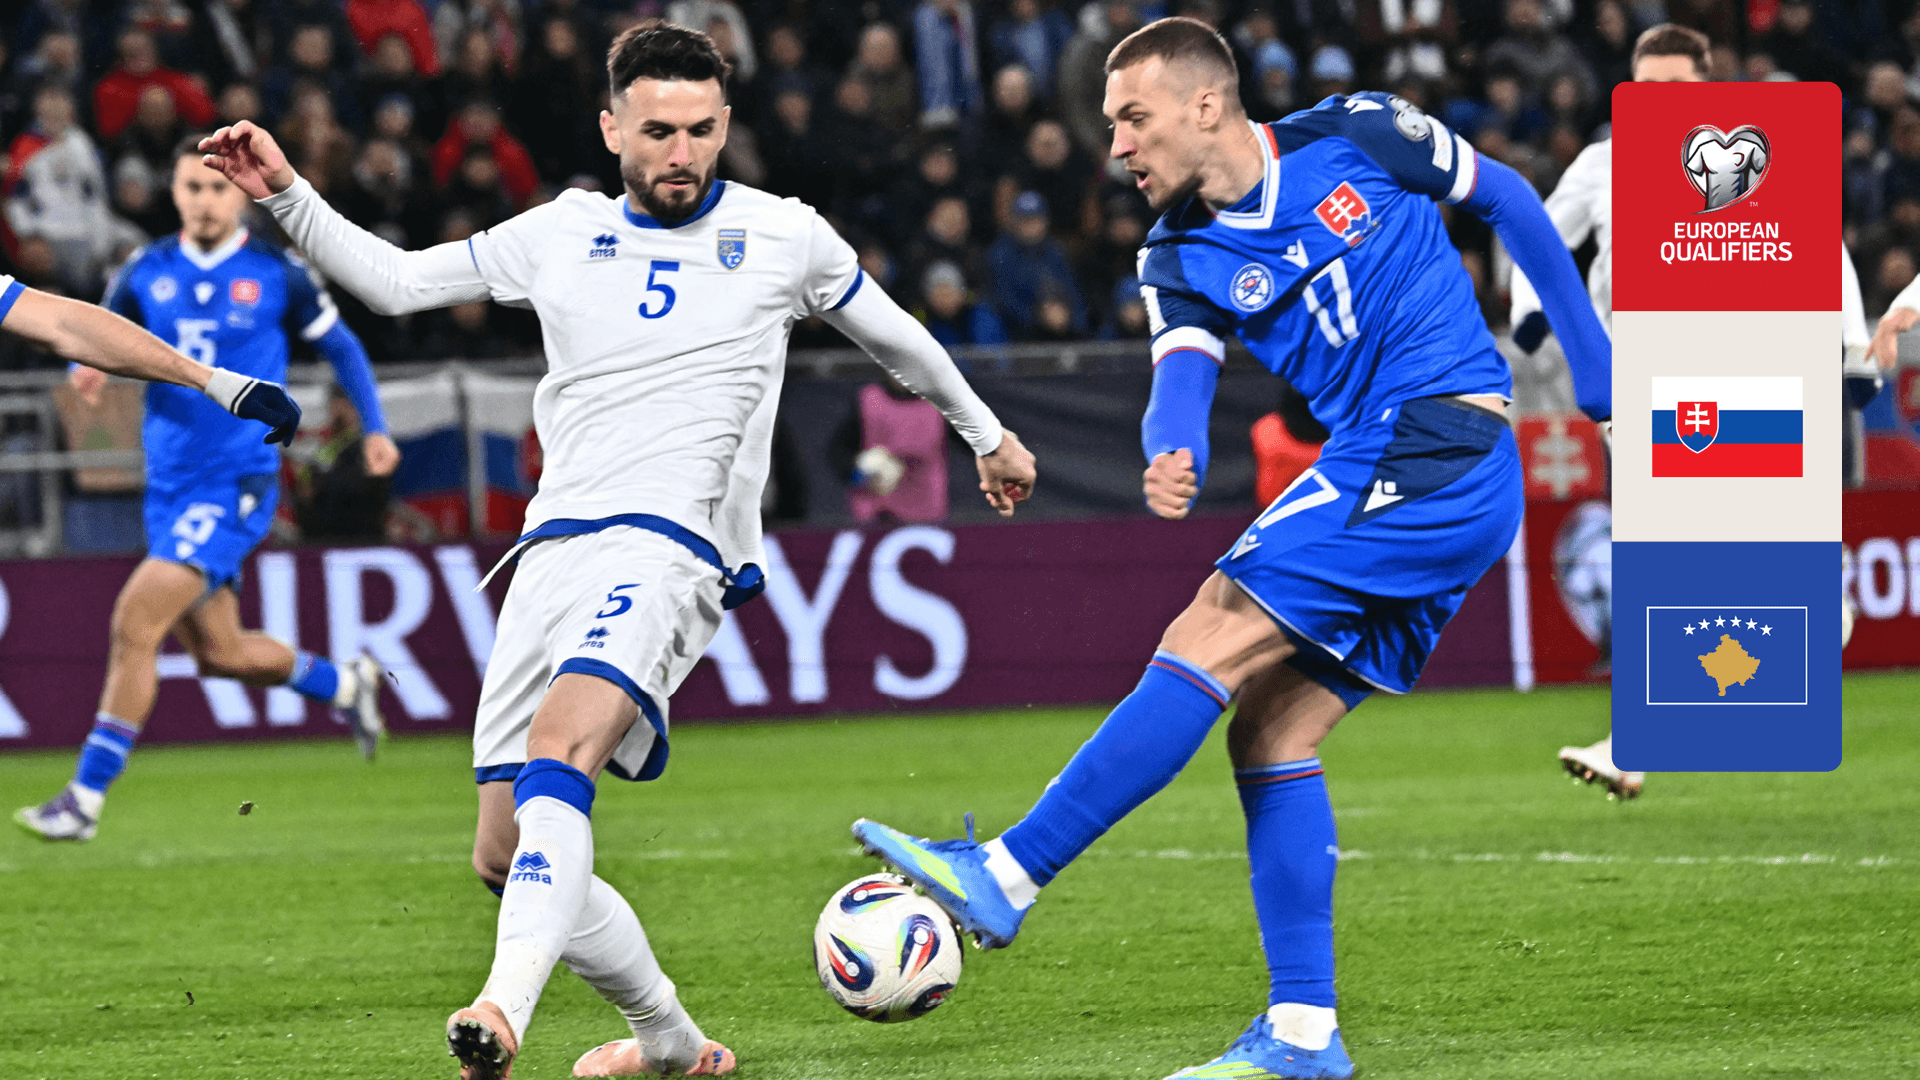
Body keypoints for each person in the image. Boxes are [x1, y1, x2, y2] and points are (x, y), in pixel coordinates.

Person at [198, 22, 1036, 1079]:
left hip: (673, 544)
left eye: (700, 131)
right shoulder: (562, 231)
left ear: (724, 125)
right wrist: (285, 192)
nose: (681, 154)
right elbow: (398, 282)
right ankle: (671, 1040)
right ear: (610, 130)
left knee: (563, 753)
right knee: (501, 851)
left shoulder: (786, 235)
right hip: (551, 546)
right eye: (657, 133)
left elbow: (897, 334)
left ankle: (500, 1010)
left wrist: (985, 434)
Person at [851, 17, 1609, 1080]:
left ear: (1205, 104)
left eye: (1133, 117)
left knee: (1210, 625)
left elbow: (1512, 201)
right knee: (1269, 733)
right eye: (1112, 124)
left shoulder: (1358, 133)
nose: (1118, 145)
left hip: (1436, 437)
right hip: (1404, 463)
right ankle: (1304, 1034)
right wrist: (1171, 447)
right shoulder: (1175, 253)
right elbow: (1183, 376)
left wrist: (1598, 377)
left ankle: (1008, 875)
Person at [1507, 24, 1871, 799]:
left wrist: (1852, 346)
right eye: (1645, 91)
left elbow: (1822, 247)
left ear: (1708, 90)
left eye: (1675, 90)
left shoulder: (1760, 159)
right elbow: (1539, 235)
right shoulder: (1602, 164)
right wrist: (1528, 308)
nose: (1658, 103)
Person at [14, 139, 397, 845]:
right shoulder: (146, 268)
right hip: (168, 483)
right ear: (175, 193)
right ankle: (346, 684)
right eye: (191, 187)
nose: (204, 200)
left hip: (235, 479)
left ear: (239, 196)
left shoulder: (277, 271)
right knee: (220, 652)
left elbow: (341, 345)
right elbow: (92, 330)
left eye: (217, 188)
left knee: (136, 620)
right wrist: (85, 372)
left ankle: (84, 799)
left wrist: (375, 426)